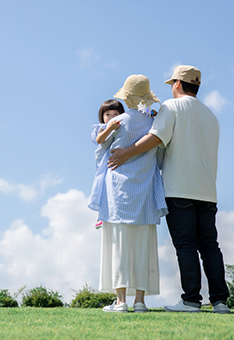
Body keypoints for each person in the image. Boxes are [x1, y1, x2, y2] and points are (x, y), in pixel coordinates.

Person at [107, 65, 231, 314]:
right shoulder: (211, 115)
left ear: (176, 84)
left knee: (185, 244)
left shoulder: (171, 107)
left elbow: (156, 138)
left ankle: (191, 301)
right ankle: (220, 302)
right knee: (210, 246)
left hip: (179, 188)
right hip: (208, 191)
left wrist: (125, 153)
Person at [88, 74, 167, 313]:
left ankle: (120, 301)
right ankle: (140, 301)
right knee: (143, 244)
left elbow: (99, 144)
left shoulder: (118, 121)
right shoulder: (155, 122)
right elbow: (161, 155)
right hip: (145, 190)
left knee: (119, 244)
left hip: (118, 193)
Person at [90, 100, 125, 229]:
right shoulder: (102, 128)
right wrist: (110, 128)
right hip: (104, 161)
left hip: (115, 160)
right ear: (102, 117)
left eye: (115, 114)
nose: (111, 117)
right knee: (102, 186)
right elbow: (100, 139)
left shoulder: (123, 126)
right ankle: (101, 215)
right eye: (108, 114)